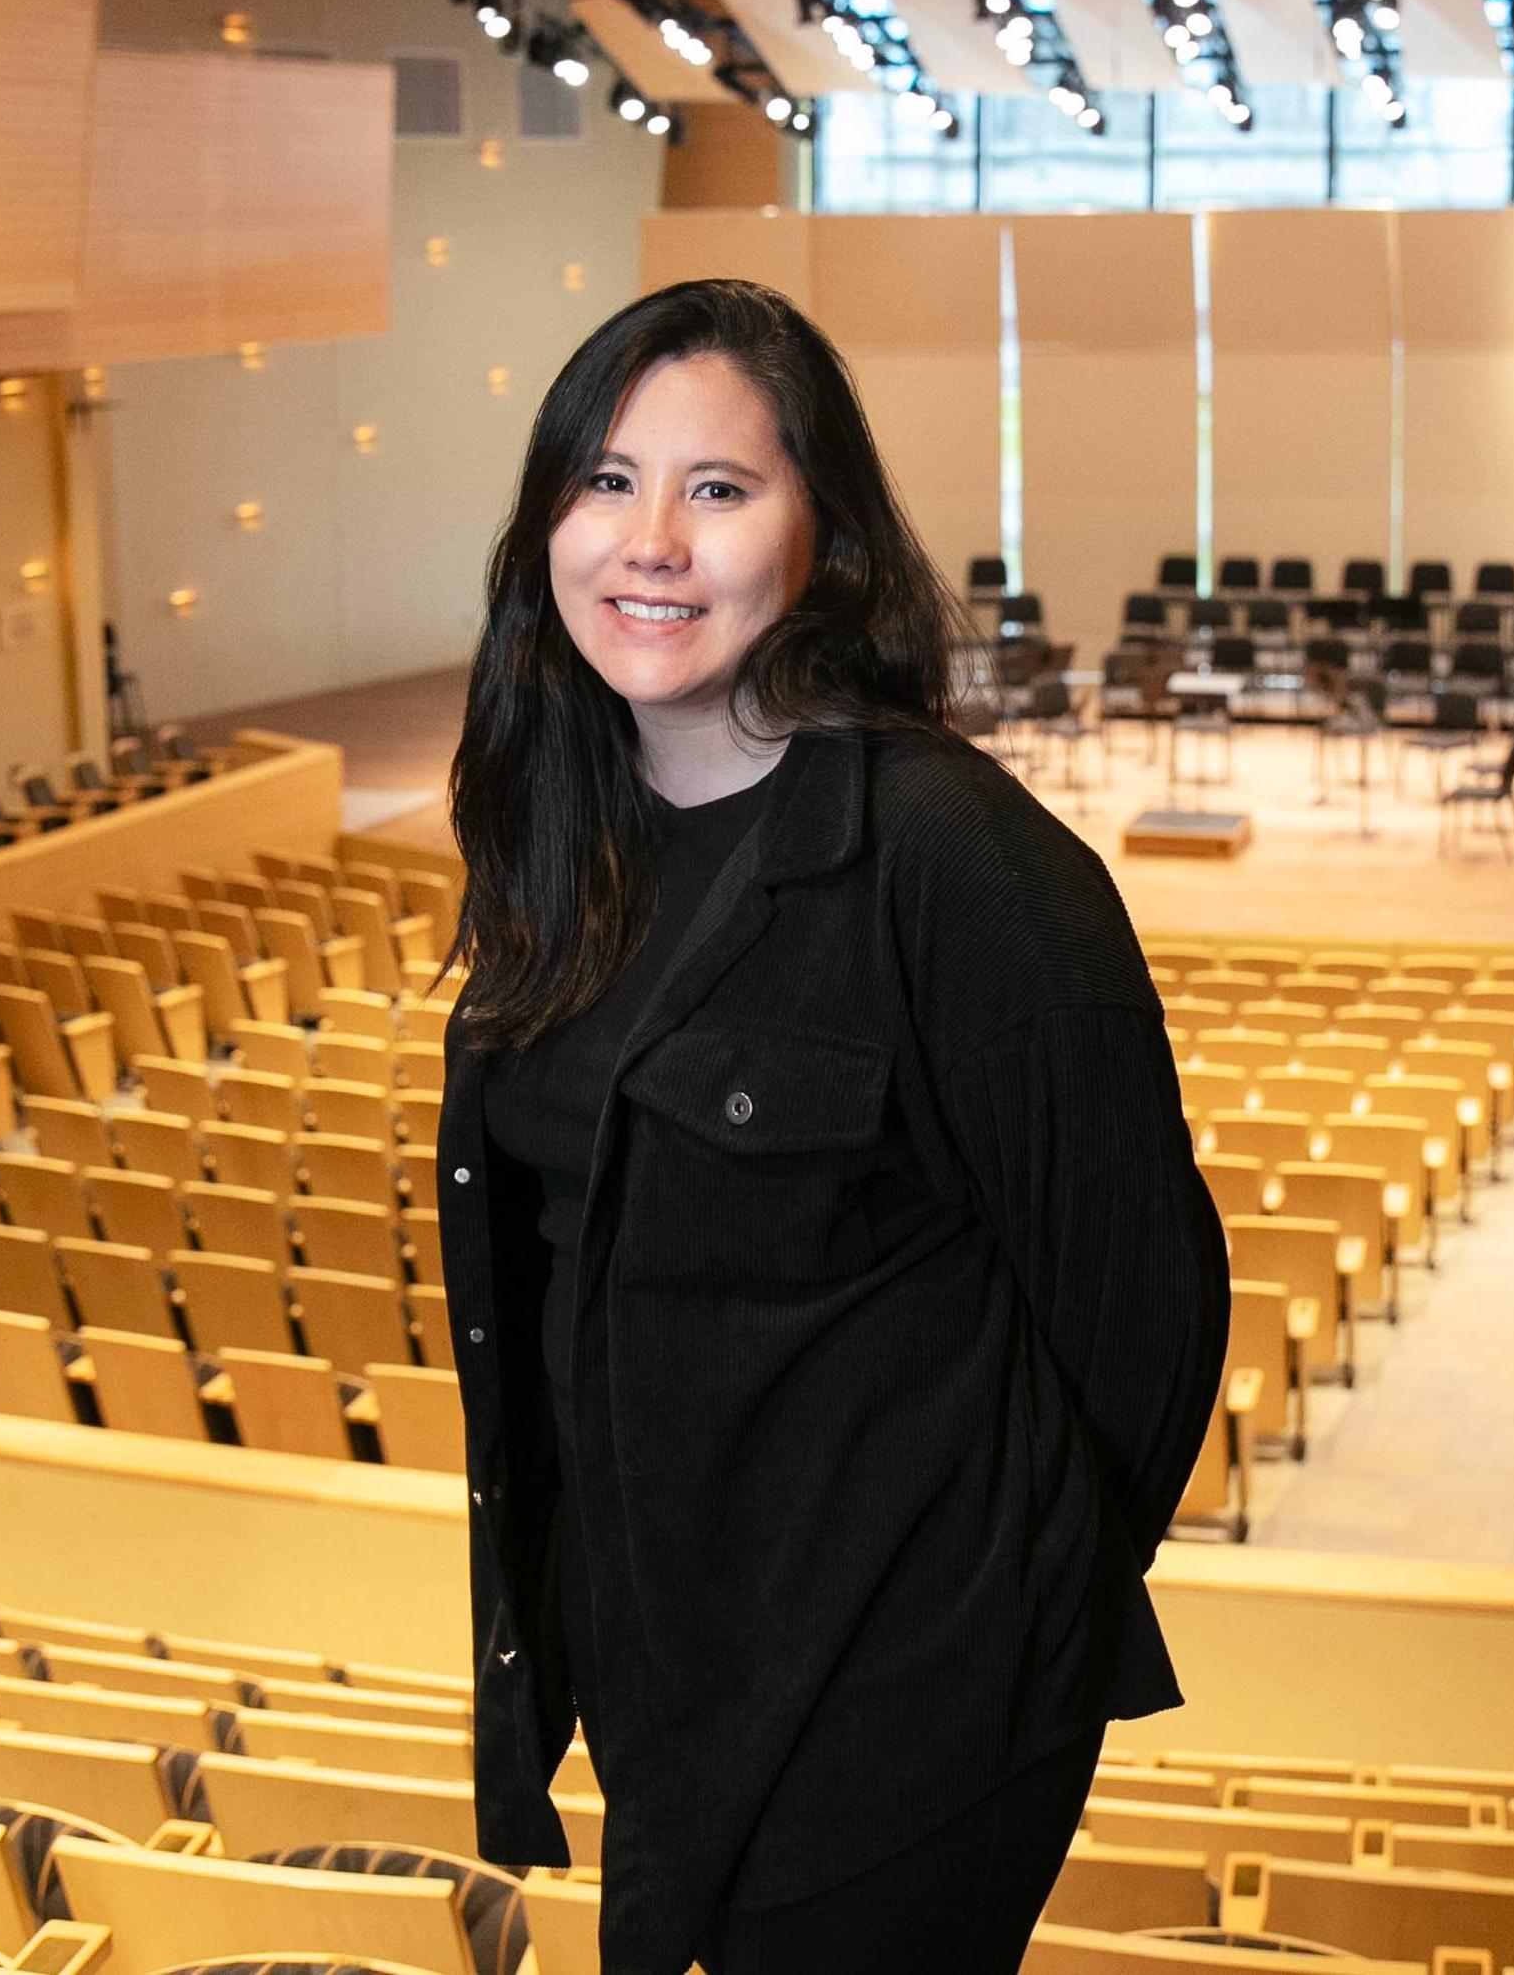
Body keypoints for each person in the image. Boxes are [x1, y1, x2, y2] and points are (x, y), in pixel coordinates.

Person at [437, 277, 1230, 1975]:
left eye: (717, 490)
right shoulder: (566, 845)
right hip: (662, 1685)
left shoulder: (965, 868)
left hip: (906, 1719)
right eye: (605, 480)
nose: (651, 540)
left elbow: (1145, 1323)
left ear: (825, 532)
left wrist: (986, 1634)